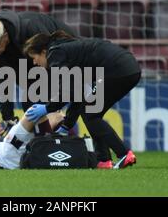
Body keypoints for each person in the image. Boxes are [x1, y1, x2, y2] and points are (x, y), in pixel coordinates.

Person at [22, 30, 141, 169]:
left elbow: (67, 91)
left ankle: (124, 154)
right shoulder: (67, 50)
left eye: (34, 57)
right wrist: (67, 125)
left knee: (91, 114)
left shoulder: (55, 53)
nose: (35, 62)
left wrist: (47, 108)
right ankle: (103, 160)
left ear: (43, 52)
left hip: (117, 70)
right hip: (127, 68)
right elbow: (77, 93)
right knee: (91, 112)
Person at [0, 10, 76, 128]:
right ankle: (43, 141)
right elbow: (3, 80)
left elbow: (52, 57)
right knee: (30, 107)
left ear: (5, 36)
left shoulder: (31, 27)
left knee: (51, 109)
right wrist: (8, 117)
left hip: (65, 60)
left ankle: (58, 137)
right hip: (35, 66)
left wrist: (53, 99)